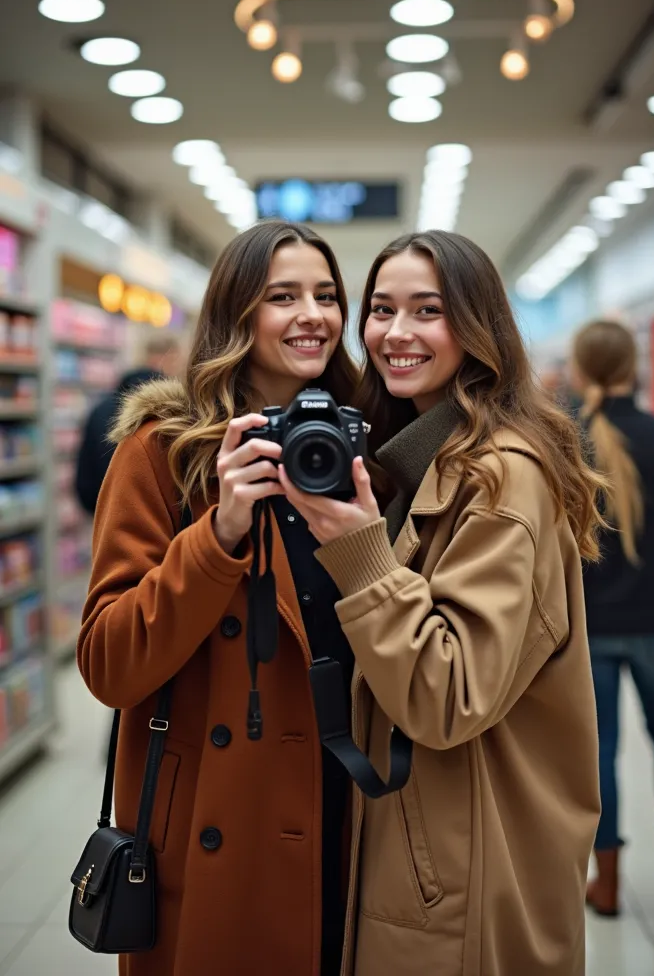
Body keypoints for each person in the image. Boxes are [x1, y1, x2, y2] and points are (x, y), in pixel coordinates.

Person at [279, 230, 604, 976]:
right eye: (381, 309)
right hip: (436, 842)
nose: (396, 334)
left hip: (467, 860)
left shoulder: (500, 481)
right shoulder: (424, 461)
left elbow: (448, 694)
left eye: (428, 311)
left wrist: (361, 551)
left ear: (477, 326)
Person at [77, 220, 359, 976]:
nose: (314, 315)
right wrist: (218, 533)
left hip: (350, 805)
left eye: (327, 295)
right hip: (217, 816)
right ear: (238, 314)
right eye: (283, 296)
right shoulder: (162, 451)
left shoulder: (362, 448)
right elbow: (109, 663)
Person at [571, 319, 654, 919]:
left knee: (602, 750)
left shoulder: (569, 441)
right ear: (632, 367)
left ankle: (607, 883)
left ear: (582, 370)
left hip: (591, 625)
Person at [74, 334, 186, 515]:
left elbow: (84, 482)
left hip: (103, 519)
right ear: (170, 359)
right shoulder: (173, 414)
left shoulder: (100, 409)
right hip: (156, 526)